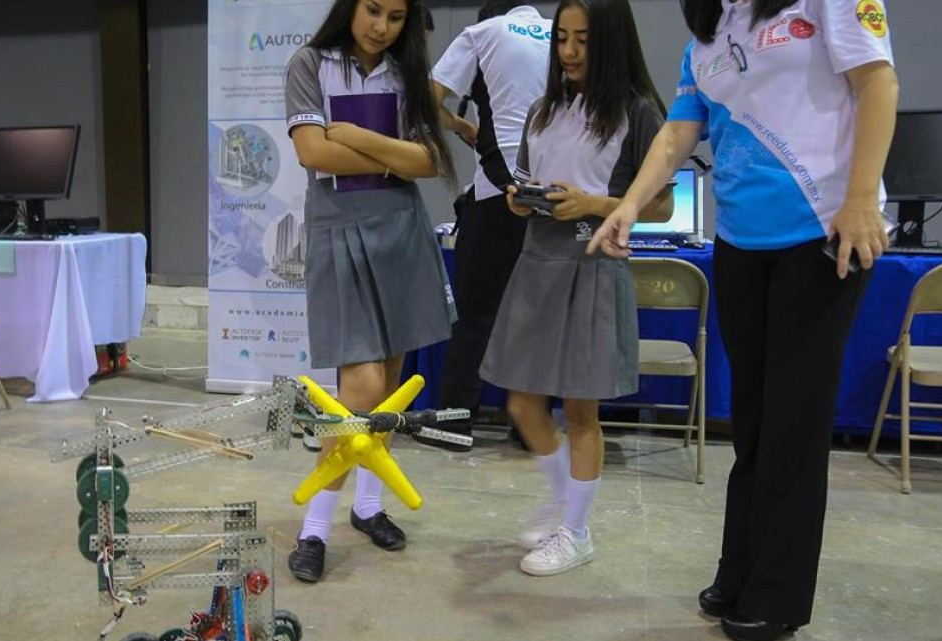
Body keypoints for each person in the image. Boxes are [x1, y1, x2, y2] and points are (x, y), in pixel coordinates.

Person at [590, 0, 898, 637]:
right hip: (739, 243)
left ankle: (777, 598)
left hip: (820, 235)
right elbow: (678, 132)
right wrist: (629, 204)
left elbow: (878, 83)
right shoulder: (708, 34)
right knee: (754, 420)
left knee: (794, 424)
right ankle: (741, 572)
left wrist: (863, 199)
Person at [479, 0, 674, 577]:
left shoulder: (636, 113)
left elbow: (659, 205)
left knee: (582, 413)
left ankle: (577, 532)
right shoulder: (542, 111)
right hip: (536, 263)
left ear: (610, 42)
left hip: (592, 264)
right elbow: (524, 183)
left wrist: (592, 204)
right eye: (561, 38)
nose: (567, 51)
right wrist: (522, 200)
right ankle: (564, 502)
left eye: (582, 40)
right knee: (521, 402)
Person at [282, 0, 457, 584]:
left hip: (400, 232)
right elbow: (311, 152)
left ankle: (368, 506)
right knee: (356, 395)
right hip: (337, 227)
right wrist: (393, 155)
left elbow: (429, 160)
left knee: (386, 395)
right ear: (350, 7)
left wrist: (355, 135)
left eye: (396, 16)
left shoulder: (408, 73)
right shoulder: (309, 63)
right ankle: (315, 529)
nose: (381, 26)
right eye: (372, 10)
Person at [425, 1, 552, 451]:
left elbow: (428, 97)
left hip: (500, 193)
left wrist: (463, 125)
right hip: (560, 195)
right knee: (541, 320)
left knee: (477, 316)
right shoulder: (563, 33)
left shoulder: (483, 34)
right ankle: (531, 430)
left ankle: (454, 425)